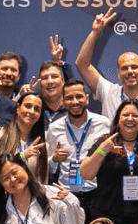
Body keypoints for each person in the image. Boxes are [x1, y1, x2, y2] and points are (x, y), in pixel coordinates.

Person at [46, 77, 111, 211]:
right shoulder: (54, 128)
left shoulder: (103, 124)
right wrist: (54, 158)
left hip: (96, 193)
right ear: (63, 102)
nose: (75, 102)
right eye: (69, 98)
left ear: (87, 99)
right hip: (66, 194)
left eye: (79, 96)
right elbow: (50, 168)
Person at [75, 10, 138, 116]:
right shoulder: (108, 92)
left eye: (134, 67)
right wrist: (95, 32)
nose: (130, 71)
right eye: (125, 68)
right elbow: (82, 65)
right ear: (118, 73)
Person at [0, 90, 49, 184]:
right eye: (28, 106)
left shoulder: (41, 145)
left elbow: (42, 182)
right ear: (17, 108)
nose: (32, 111)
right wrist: (21, 156)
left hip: (28, 198)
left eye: (37, 109)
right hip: (2, 196)